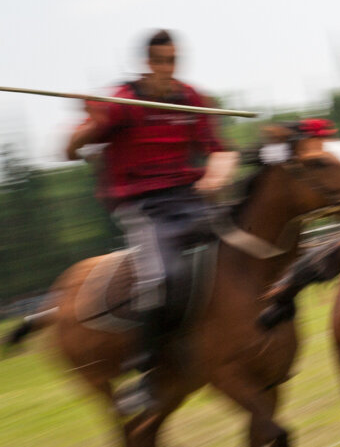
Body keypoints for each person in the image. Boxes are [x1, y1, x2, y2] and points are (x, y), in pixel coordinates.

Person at [65, 30, 238, 413]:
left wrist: (215, 177)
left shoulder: (191, 99)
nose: (166, 68)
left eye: (172, 60)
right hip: (143, 206)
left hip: (190, 198)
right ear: (147, 62)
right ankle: (144, 376)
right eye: (160, 61)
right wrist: (88, 126)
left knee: (241, 247)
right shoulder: (121, 102)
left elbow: (221, 153)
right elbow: (70, 149)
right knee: (161, 277)